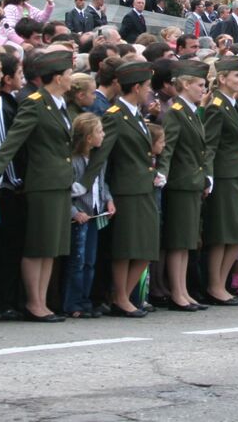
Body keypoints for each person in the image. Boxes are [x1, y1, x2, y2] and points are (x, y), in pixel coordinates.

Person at [0, 49, 76, 322]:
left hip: (59, 181)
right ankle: (34, 302)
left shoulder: (60, 104)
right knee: (38, 243)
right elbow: (14, 139)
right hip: (42, 182)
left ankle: (43, 299)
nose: (72, 78)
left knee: (52, 245)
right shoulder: (36, 103)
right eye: (69, 74)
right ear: (58, 77)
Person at [88, 59, 160, 317]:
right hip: (125, 188)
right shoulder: (115, 115)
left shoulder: (136, 114)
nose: (150, 91)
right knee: (127, 247)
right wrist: (86, 187)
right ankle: (120, 296)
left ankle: (124, 295)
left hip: (143, 186)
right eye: (148, 86)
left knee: (146, 247)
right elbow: (101, 157)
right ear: (137, 87)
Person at [158, 59, 211, 311]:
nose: (204, 89)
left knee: (187, 241)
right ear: (186, 84)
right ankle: (177, 292)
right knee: (178, 241)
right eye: (200, 84)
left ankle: (183, 290)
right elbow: (168, 147)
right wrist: (162, 174)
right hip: (180, 182)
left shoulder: (190, 110)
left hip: (192, 181)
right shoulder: (176, 111)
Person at [200, 56, 238, 305]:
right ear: (222, 79)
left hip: (232, 173)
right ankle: (215, 285)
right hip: (221, 175)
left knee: (235, 232)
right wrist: (208, 176)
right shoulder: (216, 106)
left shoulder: (230, 103)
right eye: (237, 76)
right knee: (222, 233)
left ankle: (220, 282)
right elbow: (209, 145)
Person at [66, 112, 112, 318]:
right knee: (78, 260)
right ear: (88, 138)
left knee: (90, 261)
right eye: (99, 131)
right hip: (80, 217)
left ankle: (85, 300)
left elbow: (102, 183)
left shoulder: (97, 158)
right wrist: (74, 212)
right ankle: (73, 302)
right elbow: (67, 191)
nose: (103, 135)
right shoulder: (74, 161)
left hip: (95, 213)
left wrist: (108, 200)